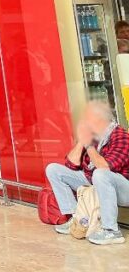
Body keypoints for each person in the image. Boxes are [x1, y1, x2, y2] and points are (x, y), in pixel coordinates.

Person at [46, 101, 129, 245]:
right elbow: (71, 163)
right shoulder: (94, 136)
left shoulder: (121, 137)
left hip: (123, 189)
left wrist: (89, 146)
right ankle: (77, 220)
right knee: (54, 169)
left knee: (100, 174)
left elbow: (104, 166)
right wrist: (82, 142)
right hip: (95, 181)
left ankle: (111, 231)